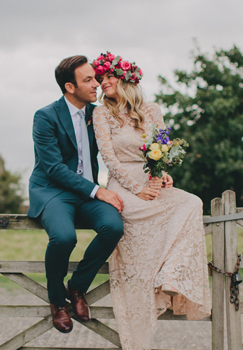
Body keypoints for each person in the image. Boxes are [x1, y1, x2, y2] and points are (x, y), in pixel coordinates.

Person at [91, 52, 211, 350]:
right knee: (143, 222)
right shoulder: (101, 113)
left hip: (152, 180)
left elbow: (159, 149)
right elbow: (109, 160)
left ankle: (170, 276)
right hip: (124, 185)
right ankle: (149, 286)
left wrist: (164, 174)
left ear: (127, 79)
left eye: (109, 77)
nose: (103, 82)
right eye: (100, 78)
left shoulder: (152, 110)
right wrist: (136, 189)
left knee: (191, 203)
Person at [27, 55, 124, 334]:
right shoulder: (44, 116)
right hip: (53, 191)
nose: (97, 83)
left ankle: (78, 286)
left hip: (87, 193)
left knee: (113, 227)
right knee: (64, 237)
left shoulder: (98, 113)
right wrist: (98, 190)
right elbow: (54, 168)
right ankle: (57, 301)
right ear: (70, 87)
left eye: (95, 77)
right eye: (89, 80)